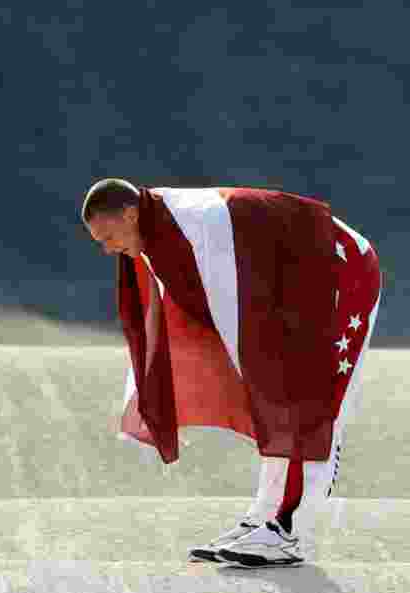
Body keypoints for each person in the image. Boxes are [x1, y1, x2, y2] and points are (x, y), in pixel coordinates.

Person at [81, 178, 380, 568]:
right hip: (294, 284)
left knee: (308, 403)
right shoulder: (157, 231)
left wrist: (264, 380)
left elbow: (238, 314)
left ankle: (289, 531)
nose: (107, 250)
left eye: (108, 237)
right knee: (277, 398)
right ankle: (264, 518)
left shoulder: (195, 225)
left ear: (130, 214)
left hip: (340, 274)